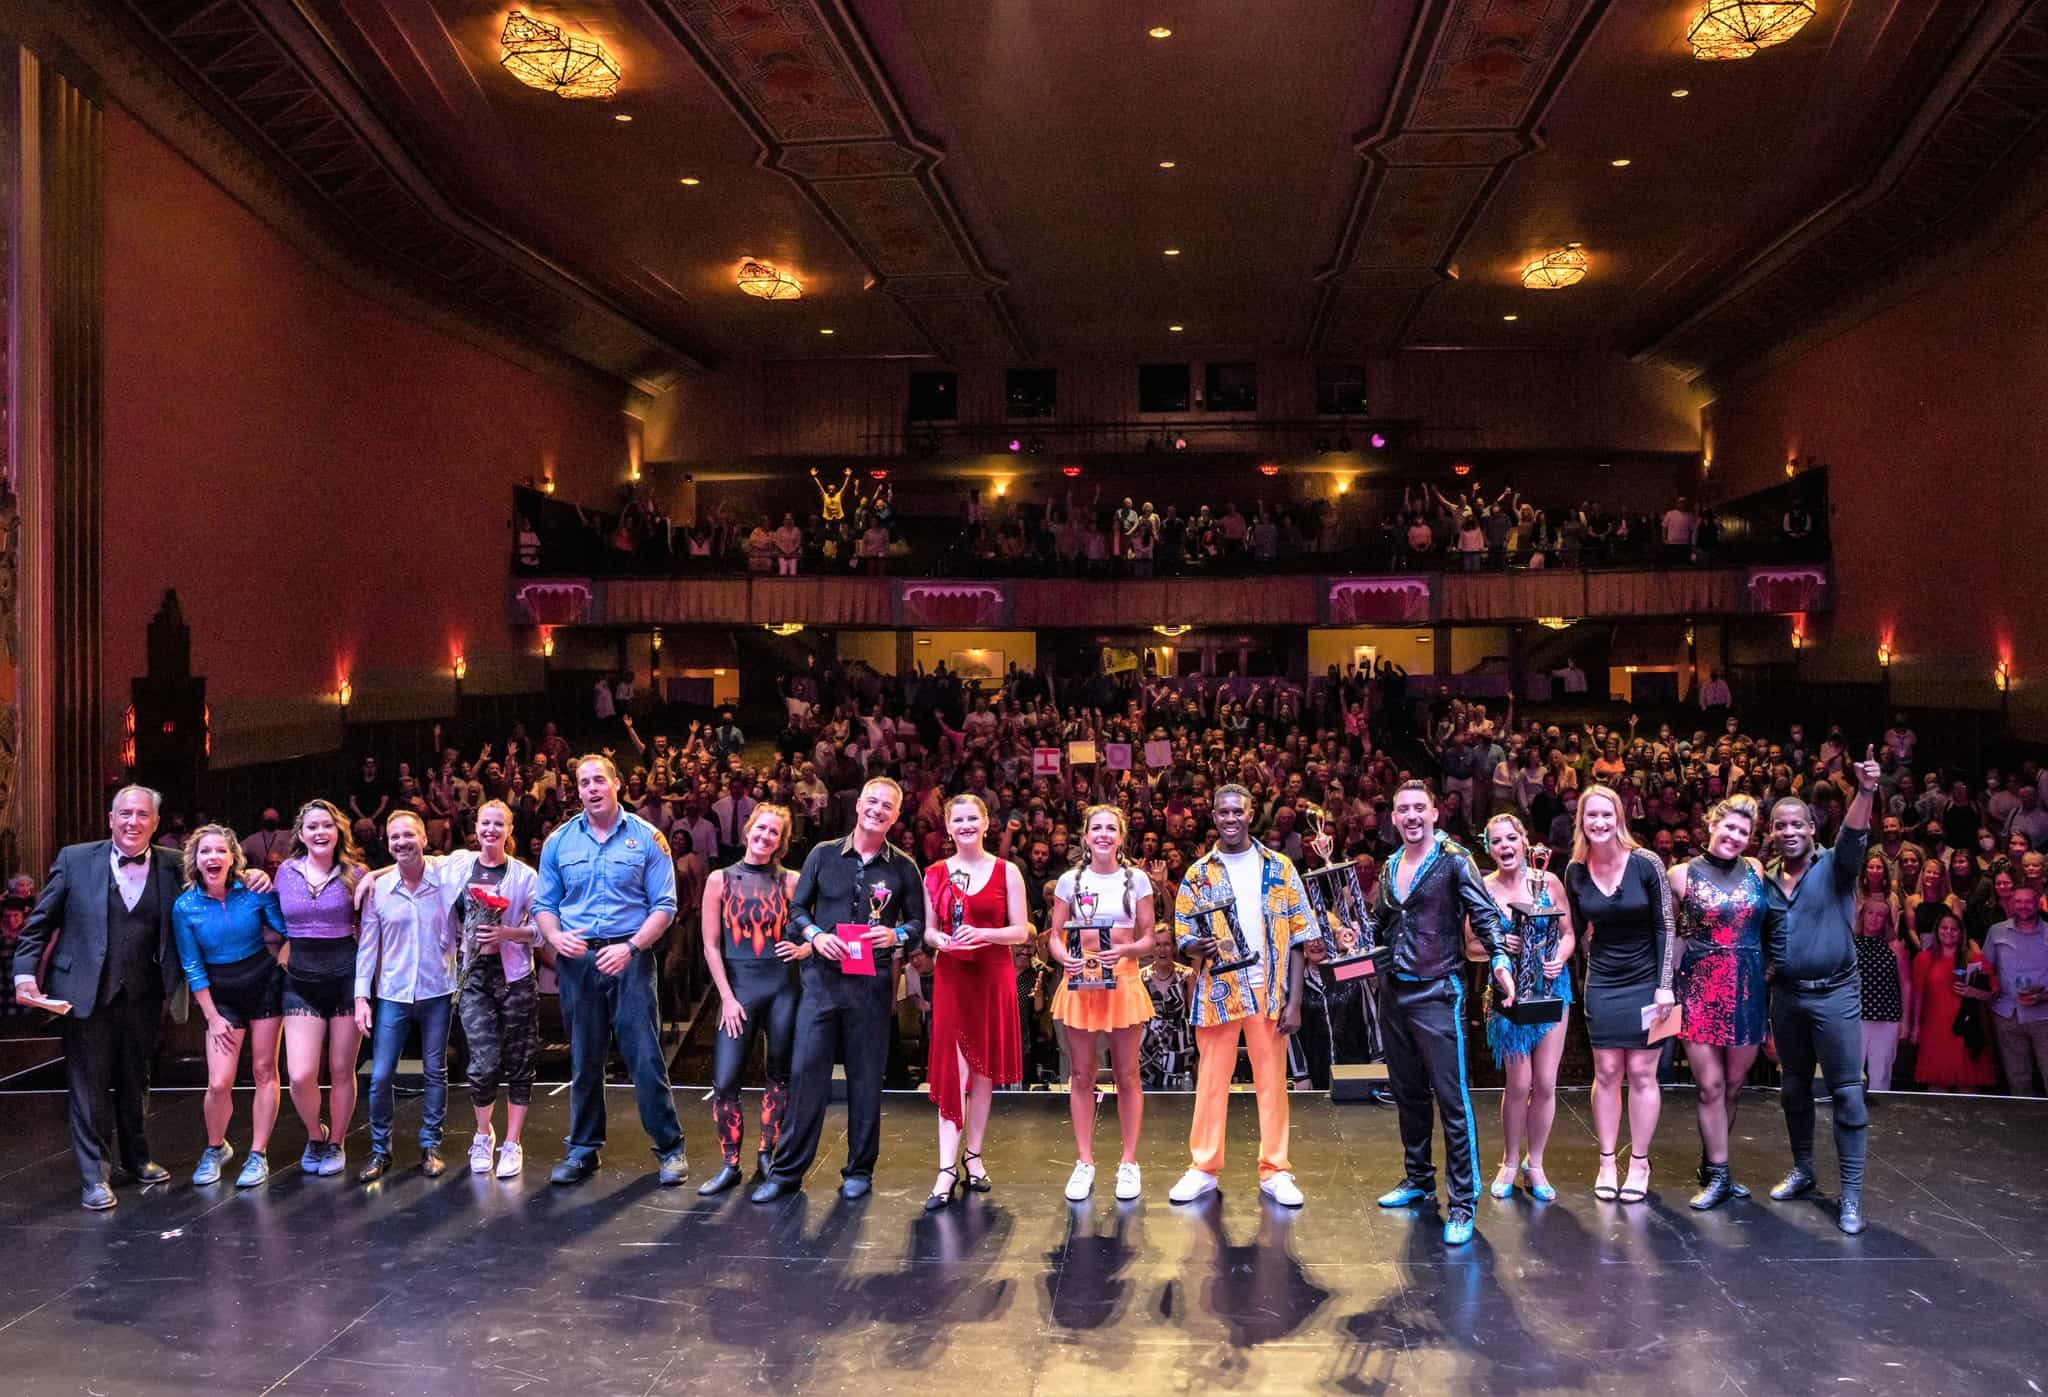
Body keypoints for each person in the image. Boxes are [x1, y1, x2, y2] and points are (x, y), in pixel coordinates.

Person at [11, 787, 194, 1209]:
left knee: (136, 1080)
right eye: (124, 814)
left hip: (146, 994)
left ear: (155, 822)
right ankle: (95, 1175)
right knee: (89, 1087)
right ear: (110, 819)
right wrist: (24, 974)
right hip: (82, 993)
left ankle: (137, 1158)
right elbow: (39, 923)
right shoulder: (75, 860)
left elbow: (219, 879)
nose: (133, 822)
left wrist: (252, 877)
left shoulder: (174, 865)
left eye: (142, 815)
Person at [752, 778, 924, 1203]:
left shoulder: (903, 866)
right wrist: (814, 933)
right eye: (872, 801)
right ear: (858, 805)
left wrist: (896, 933)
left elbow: (919, 925)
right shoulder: (823, 854)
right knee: (806, 1076)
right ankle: (786, 1172)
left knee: (866, 1081)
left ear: (896, 816)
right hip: (822, 981)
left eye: (887, 806)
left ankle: (859, 1171)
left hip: (871, 985)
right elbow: (795, 912)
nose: (878, 810)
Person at [1362, 782, 1516, 1245]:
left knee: (1452, 1101)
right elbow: (1384, 925)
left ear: (1433, 813)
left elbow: (1484, 913)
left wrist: (1501, 959)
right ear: (1393, 817)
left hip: (1437, 992)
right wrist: (1363, 948)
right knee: (1408, 1095)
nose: (1410, 816)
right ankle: (1418, 1179)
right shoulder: (1391, 865)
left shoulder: (1453, 858)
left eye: (1418, 808)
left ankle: (1463, 1203)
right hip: (1395, 993)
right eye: (1402, 809)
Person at [536, 755, 687, 1187]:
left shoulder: (647, 838)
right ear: (577, 790)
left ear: (617, 783)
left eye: (599, 779)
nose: (591, 788)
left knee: (644, 1058)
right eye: (583, 783)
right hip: (578, 961)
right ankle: (583, 1150)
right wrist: (555, 937)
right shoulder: (559, 842)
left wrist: (631, 946)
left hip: (631, 958)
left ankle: (670, 1148)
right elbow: (545, 906)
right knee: (583, 1058)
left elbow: (665, 906)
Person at [1168, 785, 1319, 1209]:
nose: (1230, 818)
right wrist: (1194, 948)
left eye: (1238, 810)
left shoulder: (1280, 866)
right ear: (1213, 816)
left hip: (1269, 990)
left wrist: (1295, 1000)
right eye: (1223, 811)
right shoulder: (1200, 872)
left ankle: (1276, 1169)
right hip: (1218, 990)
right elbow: (1184, 934)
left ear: (1251, 813)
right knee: (1211, 1083)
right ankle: (1203, 1167)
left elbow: (1300, 937)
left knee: (1272, 1083)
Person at [1762, 745, 1881, 1234]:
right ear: (1771, 833)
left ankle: (1850, 1196)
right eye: (1780, 826)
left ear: (1812, 829)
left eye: (1797, 825)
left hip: (1835, 994)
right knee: (1793, 1088)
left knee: (1848, 1094)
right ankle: (1804, 1170)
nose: (1789, 832)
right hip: (1787, 997)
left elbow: (1854, 833)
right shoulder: (1763, 879)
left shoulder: (1835, 867)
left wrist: (1868, 788)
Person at [1566, 784, 1679, 1206]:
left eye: (1607, 815)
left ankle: (1641, 1163)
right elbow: (1572, 932)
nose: (1599, 823)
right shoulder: (1575, 871)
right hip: (1603, 981)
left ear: (1619, 819)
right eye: (1591, 816)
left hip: (1651, 981)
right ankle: (1608, 1160)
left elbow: (1666, 926)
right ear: (1582, 821)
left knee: (1644, 1074)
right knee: (1608, 1072)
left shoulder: (1647, 862)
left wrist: (1665, 984)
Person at [920, 795, 1029, 1209]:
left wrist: (985, 934)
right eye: (957, 820)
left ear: (986, 823)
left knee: (983, 1073)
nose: (965, 825)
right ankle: (946, 1167)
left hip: (991, 974)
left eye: (972, 818)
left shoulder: (1008, 872)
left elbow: (1021, 931)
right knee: (954, 1070)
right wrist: (940, 940)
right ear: (947, 827)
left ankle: (974, 1157)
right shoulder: (933, 873)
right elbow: (929, 932)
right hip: (952, 975)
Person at [1047, 804, 1157, 1203]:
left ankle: (1129, 1162)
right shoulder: (1068, 881)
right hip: (1079, 982)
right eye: (1097, 828)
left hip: (1123, 982)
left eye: (1112, 827)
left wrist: (1125, 950)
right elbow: (1055, 935)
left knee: (1127, 1076)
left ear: (1121, 836)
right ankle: (1084, 1162)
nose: (1104, 834)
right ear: (1086, 835)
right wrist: (1063, 958)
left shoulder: (1137, 880)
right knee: (1081, 1076)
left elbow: (1149, 937)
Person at [697, 805, 805, 1196]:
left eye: (774, 832)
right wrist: (726, 997)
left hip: (783, 989)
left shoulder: (792, 881)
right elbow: (710, 945)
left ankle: (766, 1152)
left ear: (782, 840)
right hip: (738, 991)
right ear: (747, 829)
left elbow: (817, 928)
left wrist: (805, 950)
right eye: (761, 828)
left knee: (779, 1076)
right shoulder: (718, 880)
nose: (765, 837)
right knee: (726, 1081)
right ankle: (730, 1163)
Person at [1668, 794, 1768, 1210]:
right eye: (1729, 827)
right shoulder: (1679, 874)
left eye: (1744, 832)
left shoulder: (1757, 870)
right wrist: (1665, 988)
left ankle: (1713, 1167)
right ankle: (1720, 1176)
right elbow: (1676, 935)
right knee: (1708, 1086)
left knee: (1732, 1086)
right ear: (1711, 824)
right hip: (1701, 984)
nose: (1735, 836)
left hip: (1747, 983)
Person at [173, 825, 287, 1188]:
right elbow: (191, 964)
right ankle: (215, 1146)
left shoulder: (252, 892)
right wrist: (211, 1016)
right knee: (219, 1081)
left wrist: (269, 886)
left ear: (233, 857)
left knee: (264, 1069)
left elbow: (287, 928)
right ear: (195, 859)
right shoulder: (185, 906)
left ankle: (258, 1153)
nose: (213, 857)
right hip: (221, 994)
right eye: (205, 851)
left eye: (220, 851)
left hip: (265, 984)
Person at [354, 810, 461, 1181]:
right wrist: (360, 998)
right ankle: (380, 1151)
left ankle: (430, 1145)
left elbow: (473, 861)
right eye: (394, 837)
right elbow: (367, 946)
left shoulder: (446, 878)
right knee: (381, 1075)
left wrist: (373, 870)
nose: (401, 842)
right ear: (387, 843)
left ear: (424, 839)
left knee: (435, 1071)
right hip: (393, 993)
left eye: (408, 835)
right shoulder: (378, 890)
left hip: (437, 990)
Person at [1478, 814, 1573, 1204]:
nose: (1505, 846)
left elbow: (1568, 934)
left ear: (1524, 842)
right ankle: (1509, 1161)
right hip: (1508, 995)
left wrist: (1559, 958)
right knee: (1519, 1084)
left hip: (1551, 988)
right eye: (1497, 840)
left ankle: (1536, 1165)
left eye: (1511, 838)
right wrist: (1499, 943)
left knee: (1546, 1083)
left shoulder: (1547, 881)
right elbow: (1469, 945)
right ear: (1488, 848)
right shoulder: (1482, 888)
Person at [450, 800, 542, 1178]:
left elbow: (541, 931)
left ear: (509, 830)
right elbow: (418, 865)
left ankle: (512, 1141)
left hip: (514, 975)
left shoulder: (524, 875)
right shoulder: (458, 863)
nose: (490, 830)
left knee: (519, 1061)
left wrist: (508, 933)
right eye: (484, 823)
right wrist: (375, 875)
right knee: (483, 1063)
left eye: (498, 824)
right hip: (473, 975)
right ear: (475, 827)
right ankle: (483, 1133)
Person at [275, 800, 366, 1178]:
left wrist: (379, 874)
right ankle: (316, 1134)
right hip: (301, 982)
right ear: (301, 833)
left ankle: (337, 1141)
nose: (320, 832)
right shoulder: (284, 872)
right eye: (312, 826)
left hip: (345, 978)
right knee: (299, 1074)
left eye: (327, 825)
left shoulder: (357, 873)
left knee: (342, 1069)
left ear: (338, 831)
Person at [1904, 910, 1995, 1091]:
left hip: (1965, 1029)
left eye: (1954, 929)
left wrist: (1973, 992)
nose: (1949, 932)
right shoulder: (1923, 959)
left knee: (1967, 1086)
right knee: (1936, 1085)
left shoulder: (1974, 958)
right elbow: (1918, 995)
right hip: (1934, 1028)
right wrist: (1915, 1026)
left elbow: (1994, 992)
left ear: (1961, 932)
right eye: (1944, 928)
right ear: (1937, 931)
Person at [1983, 879, 2048, 1096]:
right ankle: (2024, 1127)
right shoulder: (1996, 931)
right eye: (2018, 901)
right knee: (2017, 1079)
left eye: (2028, 902)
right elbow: (1986, 970)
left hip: (2044, 1016)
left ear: (2038, 903)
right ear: (2011, 904)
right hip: (2007, 1015)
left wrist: (2044, 996)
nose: (2023, 906)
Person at [1853, 899, 1911, 1091]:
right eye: (1870, 913)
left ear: (1886, 920)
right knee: (1851, 1074)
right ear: (1862, 915)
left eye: (1880, 915)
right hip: (1854, 1018)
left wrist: (1906, 1019)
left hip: (1887, 1018)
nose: (1874, 919)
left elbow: (1905, 984)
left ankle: (1882, 1118)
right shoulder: (1849, 943)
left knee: (1881, 1074)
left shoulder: (1895, 947)